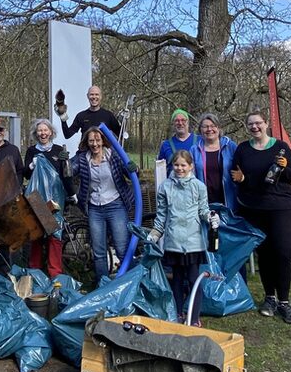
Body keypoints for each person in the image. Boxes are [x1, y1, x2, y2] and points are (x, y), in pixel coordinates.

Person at [231, 109, 291, 324]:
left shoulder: (281, 147)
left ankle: (285, 303)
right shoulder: (243, 149)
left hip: (281, 207)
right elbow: (238, 177)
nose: (255, 127)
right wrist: (242, 180)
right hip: (255, 209)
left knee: (282, 252)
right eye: (251, 124)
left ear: (266, 123)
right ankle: (269, 298)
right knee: (265, 254)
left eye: (258, 123)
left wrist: (285, 167)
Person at [147, 150, 218, 322]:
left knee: (194, 280)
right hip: (173, 242)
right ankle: (178, 313)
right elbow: (162, 215)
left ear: (191, 166)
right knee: (177, 280)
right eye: (176, 165)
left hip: (194, 243)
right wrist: (155, 234)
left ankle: (194, 317)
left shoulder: (199, 186)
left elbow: (203, 210)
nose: (179, 168)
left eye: (183, 165)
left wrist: (211, 218)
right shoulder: (165, 187)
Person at [71, 127, 134, 282]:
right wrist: (64, 162)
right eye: (91, 140)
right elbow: (70, 171)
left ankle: (130, 283)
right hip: (94, 208)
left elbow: (132, 172)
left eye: (97, 140)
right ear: (87, 142)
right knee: (99, 252)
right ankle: (103, 286)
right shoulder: (82, 159)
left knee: (122, 248)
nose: (95, 144)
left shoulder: (114, 155)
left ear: (103, 140)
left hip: (116, 205)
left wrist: (134, 168)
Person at [23, 118, 75, 278]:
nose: (43, 133)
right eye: (40, 130)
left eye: (45, 130)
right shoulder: (32, 151)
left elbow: (66, 174)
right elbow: (26, 174)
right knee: (37, 234)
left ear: (51, 132)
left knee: (55, 235)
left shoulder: (59, 150)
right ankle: (35, 274)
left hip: (55, 200)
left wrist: (72, 193)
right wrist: (31, 166)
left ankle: (55, 275)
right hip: (37, 200)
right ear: (35, 133)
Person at [193, 113, 238, 209]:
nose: (209, 129)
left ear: (219, 128)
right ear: (200, 130)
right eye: (205, 126)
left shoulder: (231, 146)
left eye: (213, 126)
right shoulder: (194, 150)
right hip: (204, 204)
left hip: (229, 202)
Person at [55, 85, 121, 141]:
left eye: (96, 94)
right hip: (84, 153)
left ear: (101, 96)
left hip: (103, 153)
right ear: (87, 96)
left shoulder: (108, 115)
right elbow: (67, 135)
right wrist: (62, 116)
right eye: (91, 94)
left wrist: (122, 120)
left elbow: (120, 135)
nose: (94, 97)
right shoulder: (81, 116)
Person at [157, 109, 199, 173]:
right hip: (172, 182)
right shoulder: (166, 145)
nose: (180, 123)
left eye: (183, 120)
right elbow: (160, 171)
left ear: (188, 122)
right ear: (173, 124)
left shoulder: (199, 141)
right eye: (177, 120)